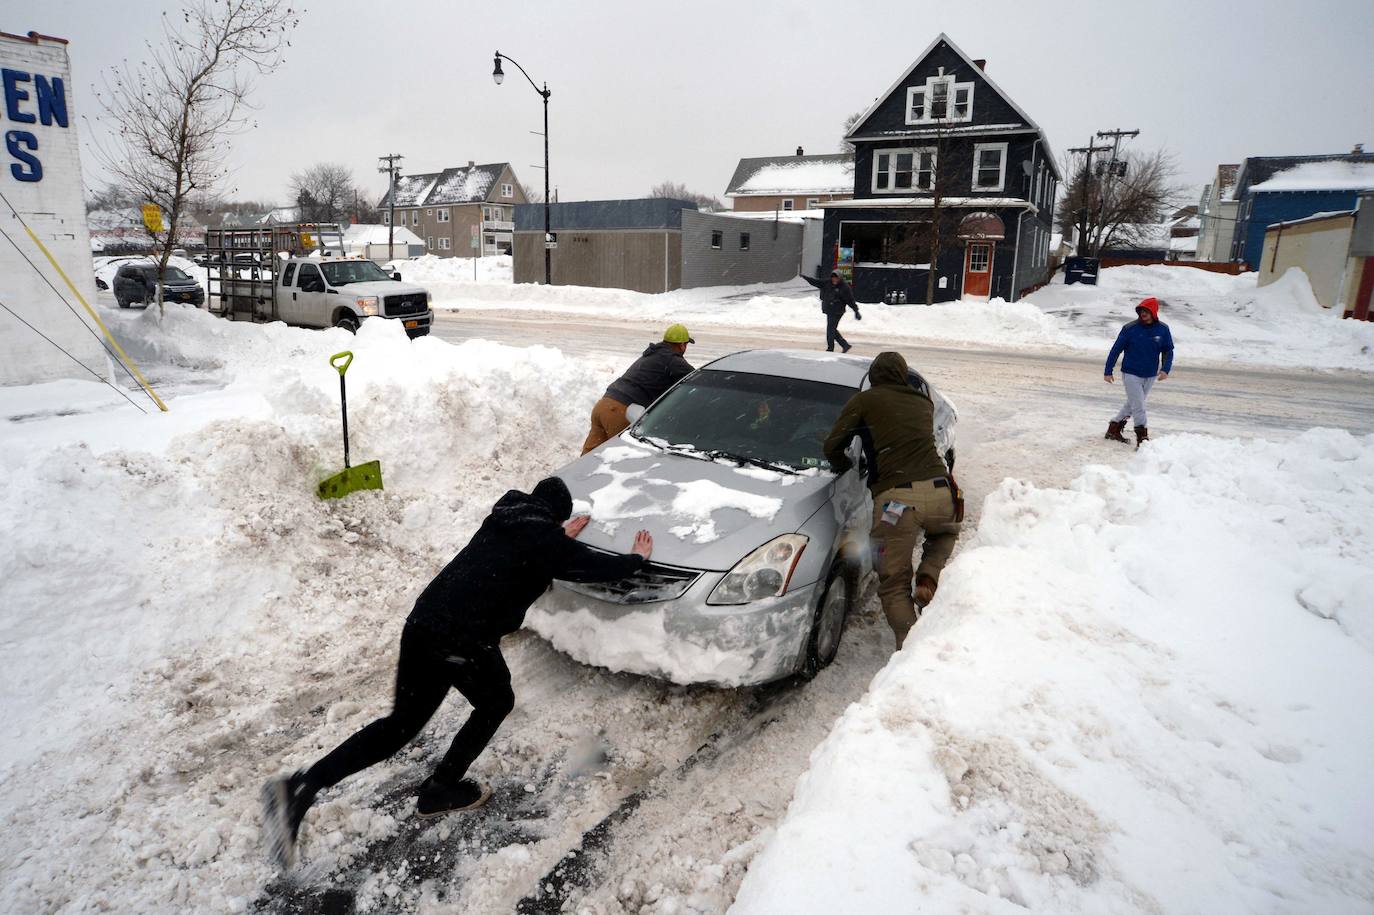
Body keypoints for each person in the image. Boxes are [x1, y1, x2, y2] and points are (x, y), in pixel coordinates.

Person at [261, 477, 653, 870]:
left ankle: (303, 784)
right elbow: (591, 567)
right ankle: (438, 789)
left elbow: (539, 548)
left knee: (401, 723)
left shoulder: (506, 519)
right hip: (460, 638)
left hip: (424, 622)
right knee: (495, 702)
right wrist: (635, 559)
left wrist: (557, 537)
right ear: (556, 518)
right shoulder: (542, 541)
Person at [823, 351, 959, 650]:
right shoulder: (923, 403)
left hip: (897, 502)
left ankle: (912, 650)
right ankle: (928, 577)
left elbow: (834, 443)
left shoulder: (866, 400)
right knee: (945, 534)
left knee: (894, 582)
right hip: (939, 490)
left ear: (873, 376)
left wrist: (840, 463)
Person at [582, 324, 695, 454]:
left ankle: (575, 475)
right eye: (685, 344)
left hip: (603, 405)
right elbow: (696, 378)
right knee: (623, 456)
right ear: (682, 345)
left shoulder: (652, 354)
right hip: (621, 411)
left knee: (588, 457)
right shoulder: (672, 359)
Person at [1103, 296, 1174, 448]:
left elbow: (1168, 350)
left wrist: (1165, 369)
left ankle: (1113, 428)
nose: (1143, 314)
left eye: (1146, 311)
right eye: (1141, 311)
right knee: (1139, 406)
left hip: (1150, 374)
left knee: (1133, 403)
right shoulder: (1130, 328)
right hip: (1131, 373)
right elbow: (1116, 350)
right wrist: (1108, 370)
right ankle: (1142, 439)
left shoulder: (1163, 329)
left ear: (1153, 312)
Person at [803, 270, 862, 353]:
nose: (834, 280)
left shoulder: (844, 287)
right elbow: (816, 282)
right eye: (833, 278)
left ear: (840, 278)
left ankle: (830, 348)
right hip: (829, 310)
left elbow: (850, 300)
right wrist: (806, 278)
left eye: (836, 278)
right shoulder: (827, 283)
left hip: (838, 311)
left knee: (830, 329)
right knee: (832, 329)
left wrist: (856, 311)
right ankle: (845, 345)